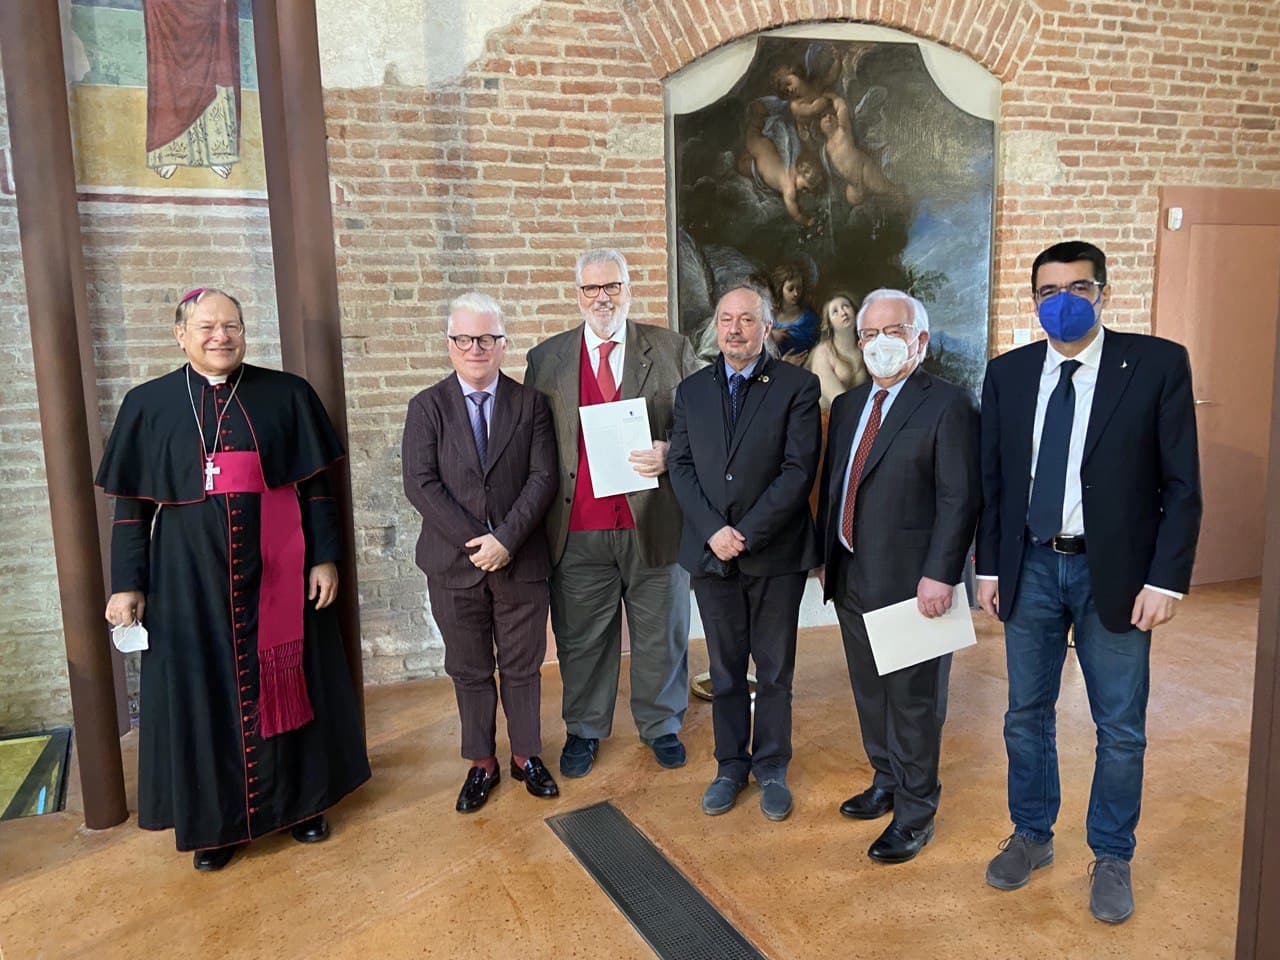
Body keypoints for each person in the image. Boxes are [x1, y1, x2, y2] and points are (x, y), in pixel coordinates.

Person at [97, 287, 370, 872]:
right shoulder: (148, 404)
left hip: (280, 570)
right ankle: (216, 825)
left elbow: (318, 488)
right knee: (203, 694)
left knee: (294, 678)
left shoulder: (287, 394)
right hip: (187, 581)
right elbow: (131, 510)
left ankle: (301, 807)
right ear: (181, 335)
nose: (221, 336)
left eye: (232, 326)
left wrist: (325, 558)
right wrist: (127, 584)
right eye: (207, 327)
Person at [976, 241, 1202, 923]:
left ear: (1103, 291)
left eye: (1079, 287)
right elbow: (995, 482)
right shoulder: (1009, 373)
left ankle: (1111, 853)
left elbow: (1182, 486)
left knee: (1120, 727)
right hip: (1030, 565)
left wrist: (1166, 580)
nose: (1064, 301)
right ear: (1033, 301)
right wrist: (989, 566)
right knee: (1025, 715)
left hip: (1119, 574)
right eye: (1049, 291)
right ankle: (1032, 833)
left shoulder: (1156, 365)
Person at [524, 249, 703, 779]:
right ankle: (584, 728)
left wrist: (672, 451)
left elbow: (703, 424)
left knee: (662, 633)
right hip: (577, 529)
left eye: (612, 286)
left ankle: (662, 725)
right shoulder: (546, 359)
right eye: (591, 288)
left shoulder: (670, 349)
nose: (601, 298)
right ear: (577, 294)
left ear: (628, 289)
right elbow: (533, 442)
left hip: (655, 524)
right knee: (581, 638)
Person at [817, 289, 980, 863]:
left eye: (895, 331)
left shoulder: (949, 404)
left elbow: (960, 497)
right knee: (870, 692)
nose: (880, 343)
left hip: (916, 584)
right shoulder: (848, 405)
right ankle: (886, 779)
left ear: (920, 340)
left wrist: (942, 574)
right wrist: (827, 553)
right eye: (870, 333)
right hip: (851, 573)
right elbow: (838, 484)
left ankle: (915, 812)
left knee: (914, 702)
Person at [668, 285, 822, 822]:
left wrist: (746, 533)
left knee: (775, 671)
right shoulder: (691, 391)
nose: (734, 329)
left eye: (747, 320)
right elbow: (680, 467)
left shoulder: (798, 386)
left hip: (775, 555)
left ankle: (772, 766)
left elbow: (798, 471)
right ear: (717, 326)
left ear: (766, 327)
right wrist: (714, 530)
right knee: (726, 670)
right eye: (726, 319)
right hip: (711, 555)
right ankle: (730, 767)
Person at [402, 293, 560, 814]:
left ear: (503, 344)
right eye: (465, 339)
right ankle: (481, 762)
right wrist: (478, 543)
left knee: (522, 666)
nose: (476, 348)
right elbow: (420, 484)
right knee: (468, 668)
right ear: (450, 344)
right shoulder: (427, 407)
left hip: (520, 559)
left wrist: (506, 540)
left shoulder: (531, 404)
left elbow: (543, 477)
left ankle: (526, 755)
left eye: (487, 338)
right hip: (453, 564)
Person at [807, 291, 869, 408]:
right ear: (830, 323)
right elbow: (838, 400)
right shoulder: (823, 353)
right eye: (835, 312)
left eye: (846, 306)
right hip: (829, 415)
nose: (843, 313)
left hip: (860, 411)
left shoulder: (866, 346)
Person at [768, 262, 821, 361]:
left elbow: (816, 350)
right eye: (790, 289)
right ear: (780, 289)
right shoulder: (769, 317)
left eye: (799, 288)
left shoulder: (809, 319)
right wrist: (771, 338)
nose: (796, 293)